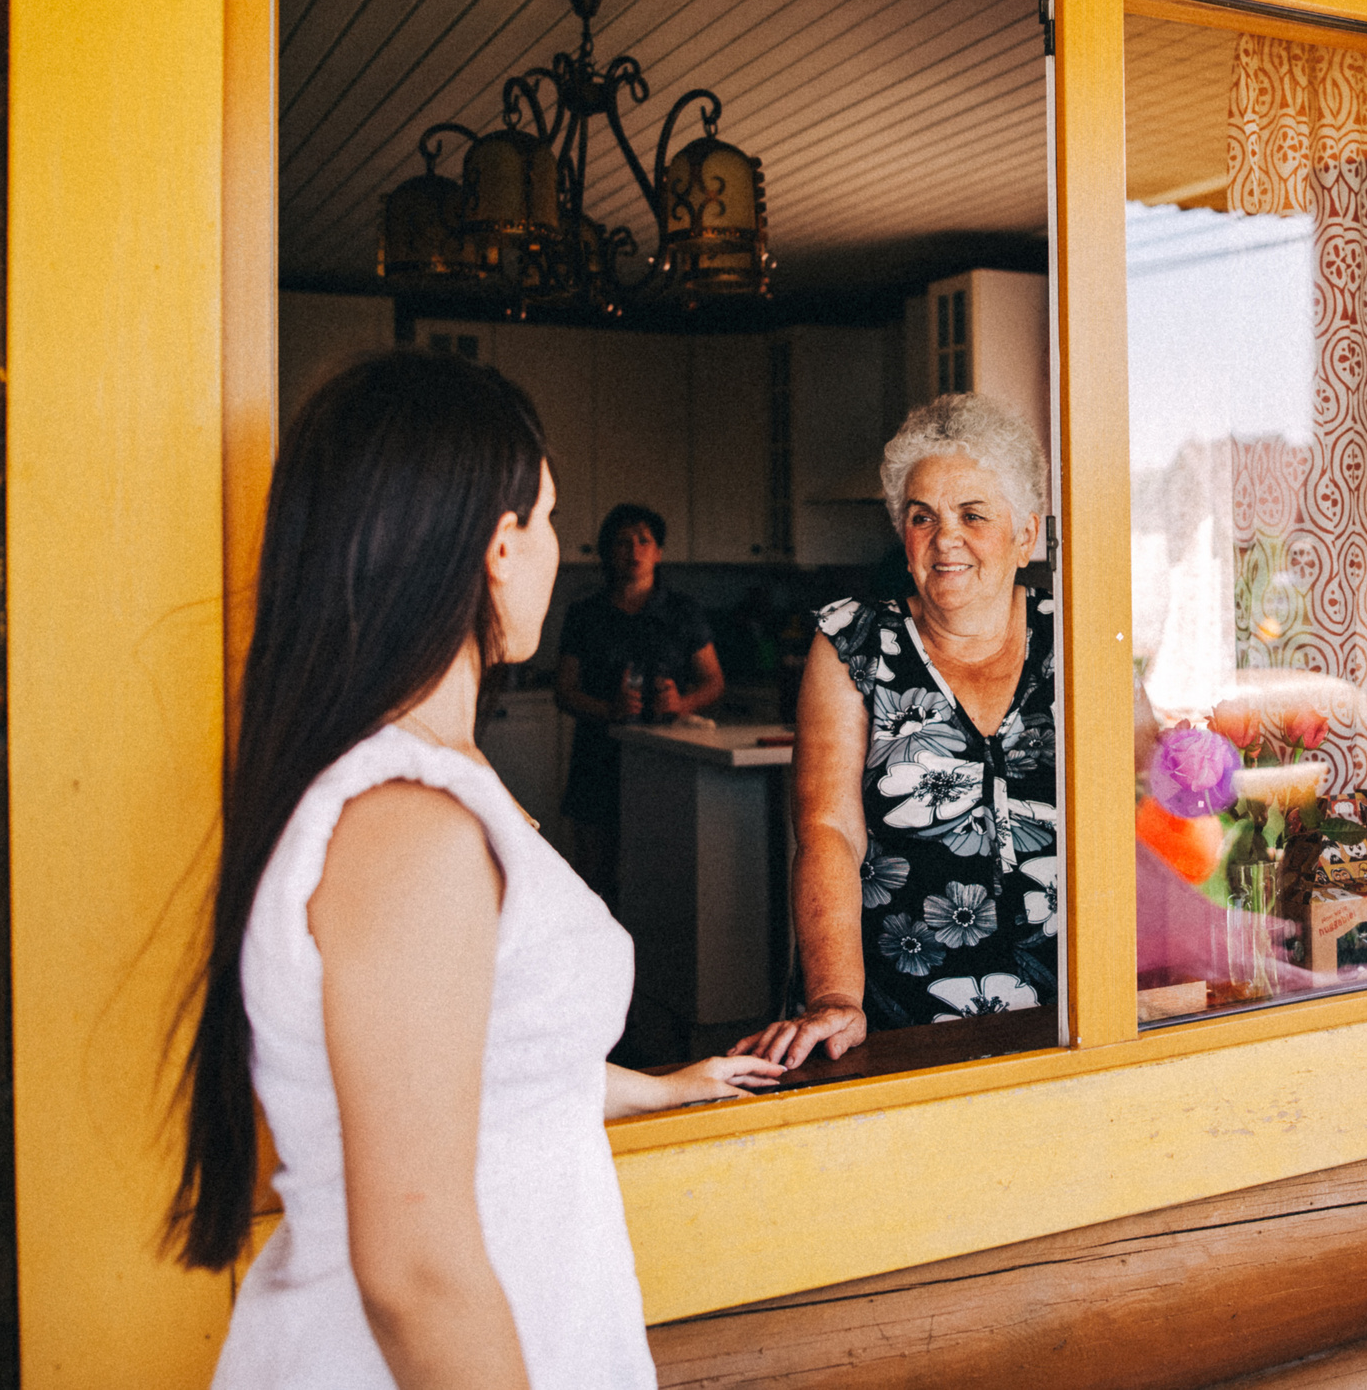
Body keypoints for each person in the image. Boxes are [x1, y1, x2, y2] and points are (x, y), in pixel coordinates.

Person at [173, 352, 780, 1390]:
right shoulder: (409, 825)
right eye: (547, 518)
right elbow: (415, 1272)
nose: (558, 548)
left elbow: (470, 1071)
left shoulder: (425, 784)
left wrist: (653, 1088)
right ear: (501, 548)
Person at [733, 393, 1058, 1069]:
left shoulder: (1076, 632)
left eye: (973, 515)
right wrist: (833, 997)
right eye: (922, 516)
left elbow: (1151, 799)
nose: (946, 539)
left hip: (1066, 1015)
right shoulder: (855, 641)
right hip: (890, 1019)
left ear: (1025, 534)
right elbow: (828, 828)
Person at [551, 504, 726, 904]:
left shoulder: (683, 612)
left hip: (666, 754)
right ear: (608, 553)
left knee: (658, 867)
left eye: (644, 541)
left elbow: (714, 682)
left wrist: (682, 703)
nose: (634, 550)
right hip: (597, 754)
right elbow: (564, 690)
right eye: (622, 542)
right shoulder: (585, 614)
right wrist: (606, 709)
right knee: (593, 872)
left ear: (659, 552)